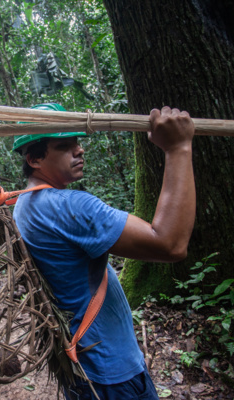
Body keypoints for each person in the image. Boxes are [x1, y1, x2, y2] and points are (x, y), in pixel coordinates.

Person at [12, 103, 195, 399]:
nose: (79, 150)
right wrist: (178, 149)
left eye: (77, 142)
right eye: (64, 146)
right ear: (34, 158)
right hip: (110, 374)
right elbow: (170, 244)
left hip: (85, 367)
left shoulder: (24, 206)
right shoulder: (68, 206)